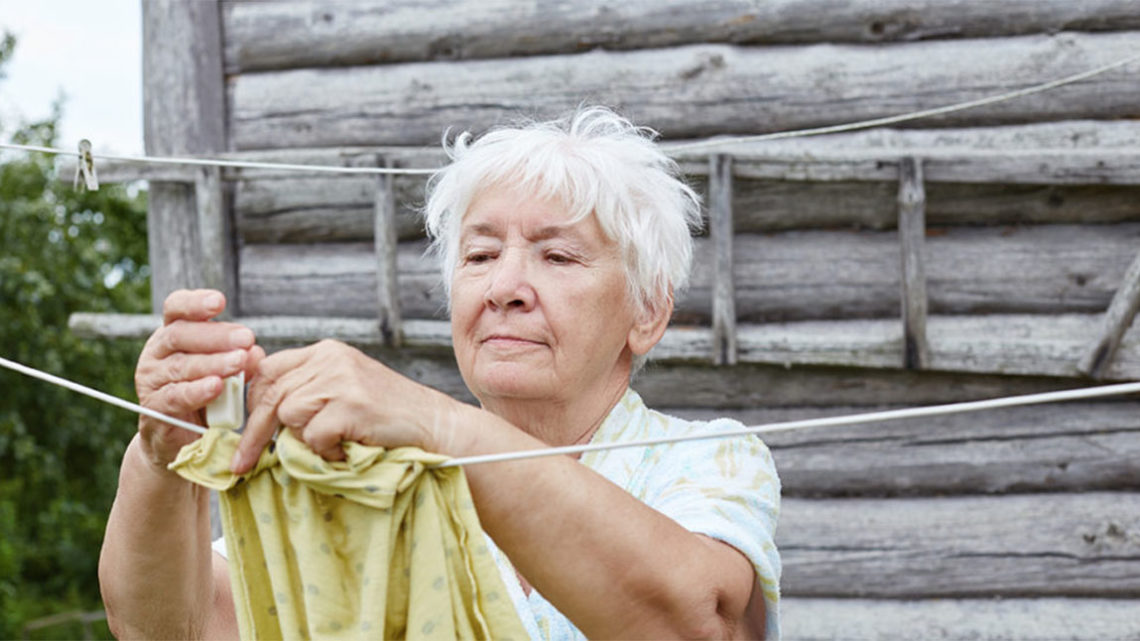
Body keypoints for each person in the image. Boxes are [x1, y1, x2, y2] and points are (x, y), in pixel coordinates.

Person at [99, 106, 781, 639]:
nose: (505, 286)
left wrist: (438, 426)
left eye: (558, 257)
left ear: (648, 312)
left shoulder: (703, 459)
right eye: (481, 256)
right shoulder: (373, 477)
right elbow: (174, 631)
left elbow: (698, 624)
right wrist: (160, 458)